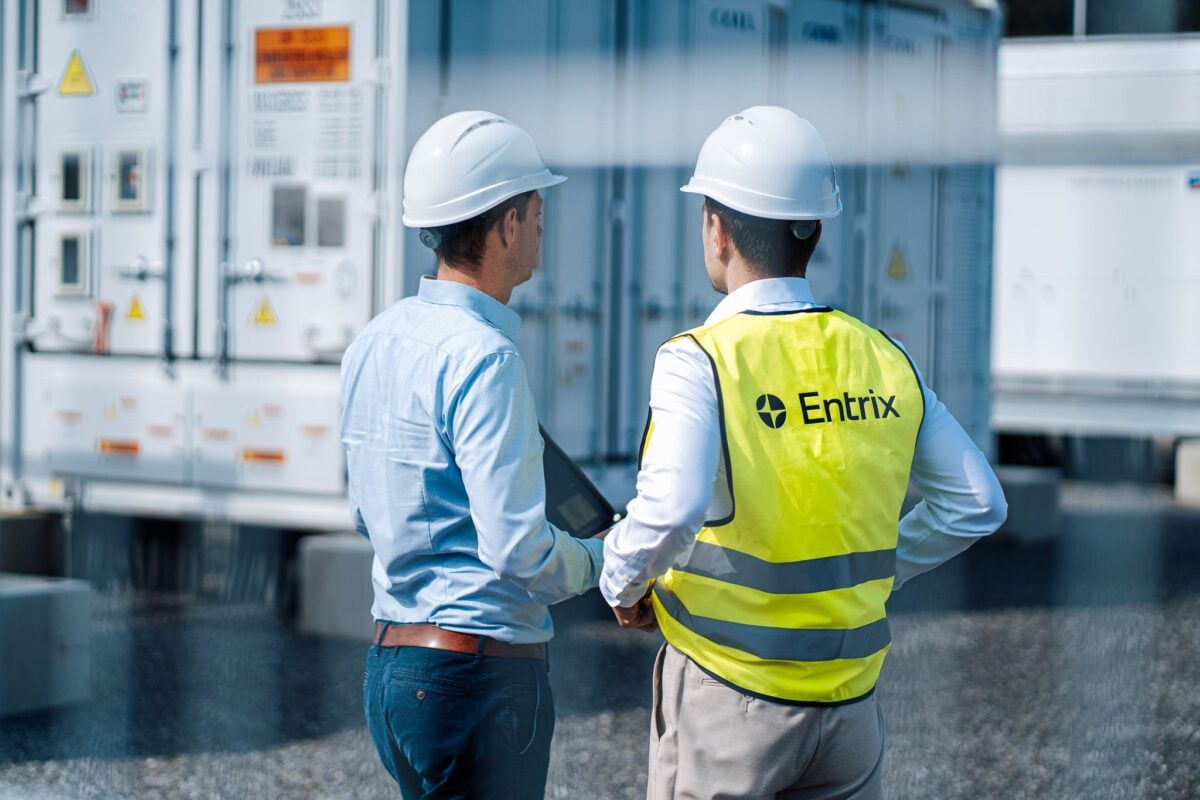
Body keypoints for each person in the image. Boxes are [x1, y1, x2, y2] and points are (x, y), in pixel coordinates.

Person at [600, 106, 1008, 799]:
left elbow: (670, 508)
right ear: (813, 231)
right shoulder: (883, 356)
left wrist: (623, 580)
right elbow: (978, 502)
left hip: (730, 704)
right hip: (850, 713)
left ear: (717, 229)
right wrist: (865, 575)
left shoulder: (699, 361)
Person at [340, 110, 605, 799]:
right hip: (476, 681)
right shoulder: (486, 358)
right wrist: (605, 561)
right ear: (507, 223)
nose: (544, 224)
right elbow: (519, 550)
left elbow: (366, 516)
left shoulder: (374, 339)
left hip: (392, 674)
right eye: (536, 207)